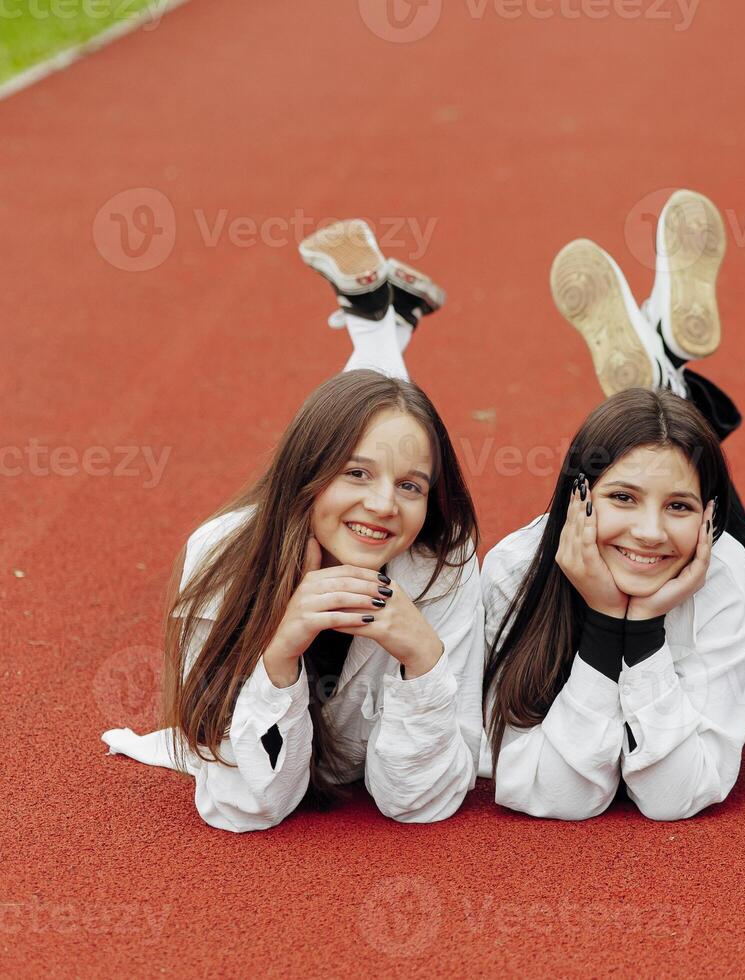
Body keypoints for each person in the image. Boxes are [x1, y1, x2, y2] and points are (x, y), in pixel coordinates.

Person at [101, 220, 485, 833]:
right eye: (354, 474)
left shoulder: (442, 566)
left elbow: (418, 801)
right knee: (377, 429)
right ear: (305, 474)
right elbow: (246, 806)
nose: (387, 505)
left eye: (413, 487)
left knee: (382, 429)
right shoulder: (223, 556)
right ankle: (384, 320)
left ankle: (382, 319)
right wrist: (280, 653)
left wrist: (424, 658)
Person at [480, 191, 745, 821]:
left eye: (681, 508)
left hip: (715, 565)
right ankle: (666, 376)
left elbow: (677, 798)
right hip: (663, 553)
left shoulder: (727, 572)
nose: (649, 530)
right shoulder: (511, 571)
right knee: (678, 471)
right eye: (621, 497)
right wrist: (610, 624)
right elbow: (555, 798)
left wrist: (642, 630)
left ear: (709, 517)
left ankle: (664, 381)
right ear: (579, 494)